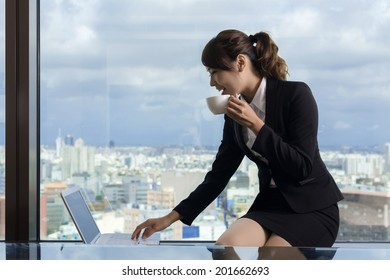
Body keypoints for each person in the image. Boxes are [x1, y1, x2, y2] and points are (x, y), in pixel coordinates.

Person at [132, 29, 344, 247]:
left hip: (313, 207)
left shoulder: (296, 94)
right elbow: (219, 175)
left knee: (273, 258)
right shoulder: (234, 113)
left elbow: (302, 166)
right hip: (270, 205)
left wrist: (256, 124)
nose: (212, 82)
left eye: (215, 72)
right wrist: (169, 218)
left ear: (240, 63)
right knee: (226, 249)